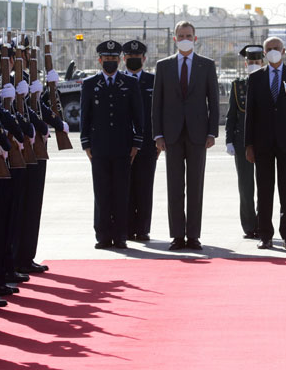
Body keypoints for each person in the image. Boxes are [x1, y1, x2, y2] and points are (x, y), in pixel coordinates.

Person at [152, 21, 219, 250]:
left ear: (195, 38)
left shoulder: (206, 65)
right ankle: (177, 236)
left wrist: (212, 131)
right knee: (174, 186)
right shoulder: (163, 66)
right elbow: (157, 104)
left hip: (198, 134)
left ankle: (193, 236)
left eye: (188, 35)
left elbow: (213, 101)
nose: (184, 38)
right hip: (171, 135)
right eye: (180, 35)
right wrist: (158, 135)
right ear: (174, 38)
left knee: (195, 186)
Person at [244, 37, 286, 249]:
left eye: (276, 48)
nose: (273, 52)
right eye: (269, 49)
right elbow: (249, 115)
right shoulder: (255, 78)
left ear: (284, 50)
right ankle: (265, 235)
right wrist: (248, 144)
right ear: (264, 52)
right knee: (264, 189)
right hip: (262, 144)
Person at [80, 40, 143, 250]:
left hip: (123, 147)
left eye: (114, 59)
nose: (110, 62)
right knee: (102, 192)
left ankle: (120, 235)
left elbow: (138, 116)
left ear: (119, 60)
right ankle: (103, 235)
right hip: (98, 147)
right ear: (99, 60)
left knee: (121, 192)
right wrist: (85, 143)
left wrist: (136, 143)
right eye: (106, 59)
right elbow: (84, 117)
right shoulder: (90, 84)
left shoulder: (129, 83)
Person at [226, 44, 262, 240]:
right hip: (241, 142)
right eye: (251, 62)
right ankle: (249, 226)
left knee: (264, 185)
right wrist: (228, 140)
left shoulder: (268, 82)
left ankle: (263, 223)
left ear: (263, 62)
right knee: (246, 186)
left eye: (257, 62)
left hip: (264, 141)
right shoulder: (237, 85)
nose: (254, 64)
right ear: (245, 63)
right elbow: (231, 115)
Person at [123, 39, 157, 242]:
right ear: (123, 59)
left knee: (145, 187)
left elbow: (159, 112)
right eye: (129, 57)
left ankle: (143, 229)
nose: (133, 59)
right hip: (123, 144)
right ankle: (126, 228)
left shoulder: (154, 81)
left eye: (137, 57)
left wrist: (159, 140)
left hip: (148, 143)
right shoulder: (118, 80)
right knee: (125, 187)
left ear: (144, 58)